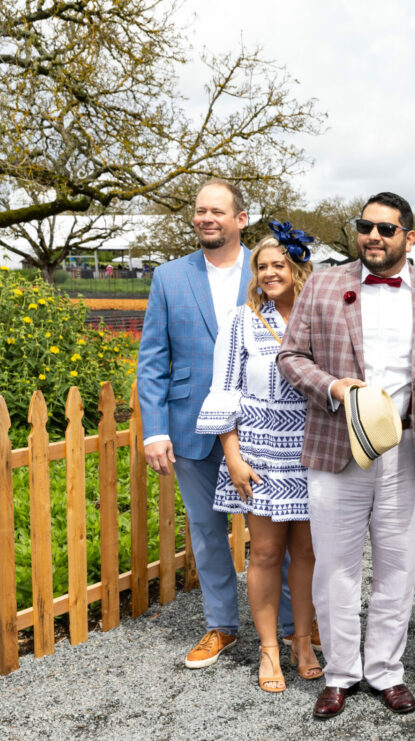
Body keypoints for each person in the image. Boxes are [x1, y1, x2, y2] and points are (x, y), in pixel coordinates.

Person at [277, 191, 415, 720]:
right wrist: (332, 387)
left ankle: (386, 672)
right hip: (337, 444)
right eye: (365, 226)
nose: (373, 236)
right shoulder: (325, 285)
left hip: (407, 449)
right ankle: (339, 673)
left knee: (398, 568)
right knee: (335, 567)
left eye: (386, 229)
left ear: (410, 236)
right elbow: (290, 356)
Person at [137, 179, 295, 668]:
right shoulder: (169, 276)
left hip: (266, 427)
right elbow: (153, 359)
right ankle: (221, 625)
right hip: (191, 426)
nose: (206, 218)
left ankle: (290, 628)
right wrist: (156, 429)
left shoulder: (269, 265)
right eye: (200, 211)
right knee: (206, 532)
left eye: (217, 211)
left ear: (240, 219)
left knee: (278, 535)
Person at [194, 222, 320, 693]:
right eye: (262, 267)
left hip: (311, 449)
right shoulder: (241, 319)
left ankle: (302, 641)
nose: (269, 273)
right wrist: (233, 457)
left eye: (278, 265)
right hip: (259, 450)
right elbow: (224, 390)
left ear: (297, 268)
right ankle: (269, 648)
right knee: (266, 552)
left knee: (307, 552)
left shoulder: (316, 318)